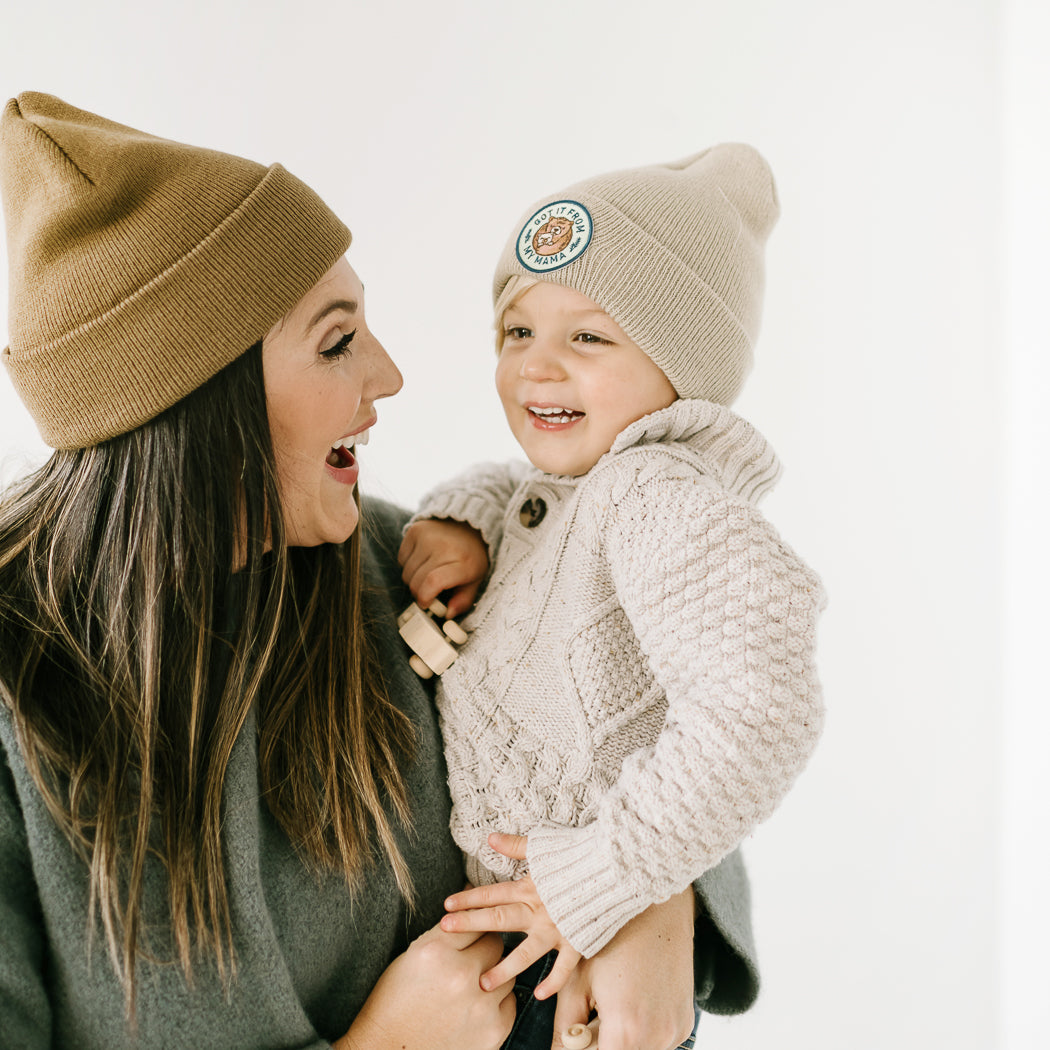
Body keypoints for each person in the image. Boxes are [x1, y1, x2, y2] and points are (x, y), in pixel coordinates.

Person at [0, 94, 758, 1050]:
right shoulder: (17, 689)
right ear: (195, 400)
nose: (389, 374)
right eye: (336, 341)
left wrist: (656, 898)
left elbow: (660, 717)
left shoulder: (421, 572)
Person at [398, 145, 826, 1042]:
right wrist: (463, 520)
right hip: (528, 945)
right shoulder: (588, 492)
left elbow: (762, 709)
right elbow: (519, 490)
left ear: (685, 364)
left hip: (572, 964)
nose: (537, 368)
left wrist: (603, 876)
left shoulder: (658, 497)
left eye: (588, 336)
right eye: (518, 332)